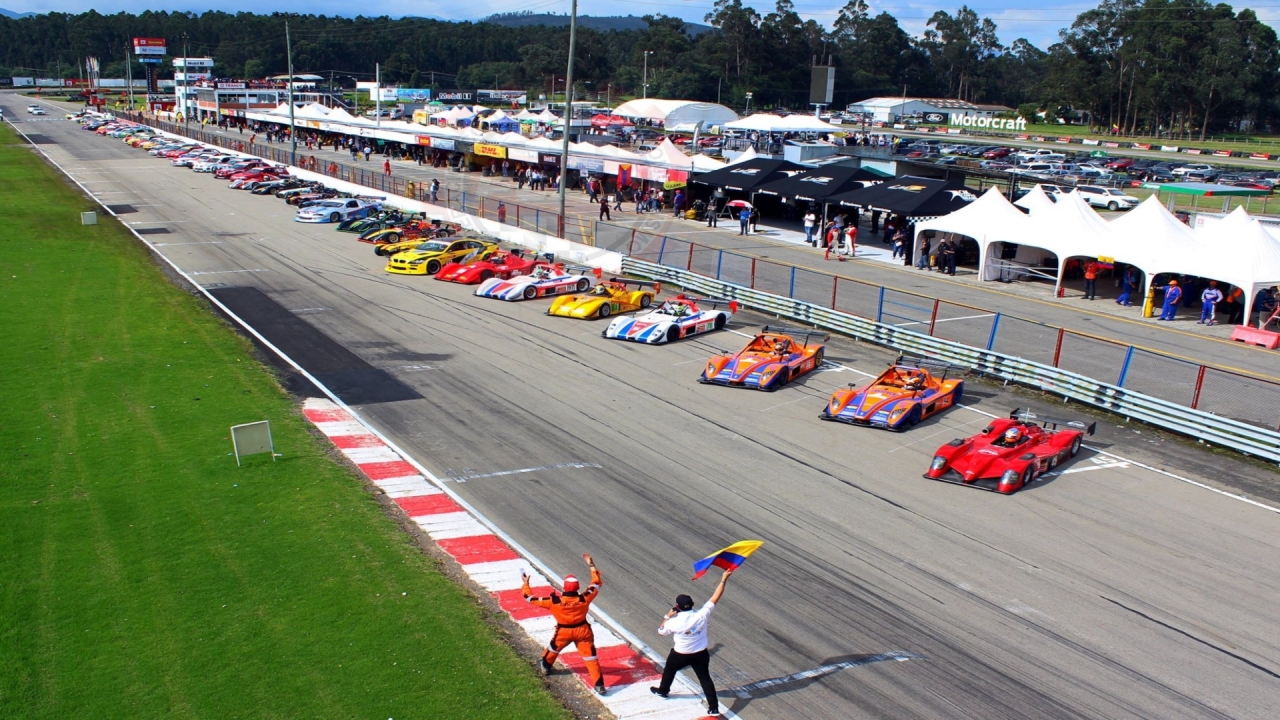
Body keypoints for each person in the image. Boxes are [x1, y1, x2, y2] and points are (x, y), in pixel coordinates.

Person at [650, 568, 734, 717]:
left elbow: (661, 631)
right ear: (692, 604)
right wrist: (723, 579)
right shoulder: (702, 615)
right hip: (701, 654)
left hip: (680, 654)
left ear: (677, 607)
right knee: (705, 678)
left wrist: (667, 616)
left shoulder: (674, 622)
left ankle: (663, 691)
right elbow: (716, 596)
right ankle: (714, 708)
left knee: (669, 670)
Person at [522, 554, 607, 696]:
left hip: (563, 632)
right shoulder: (585, 598)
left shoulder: (553, 601)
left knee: (553, 649)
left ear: (564, 587)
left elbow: (530, 598)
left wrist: (525, 584)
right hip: (583, 630)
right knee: (591, 658)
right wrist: (591, 566)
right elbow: (596, 583)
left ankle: (545, 666)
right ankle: (599, 685)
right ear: (578, 587)